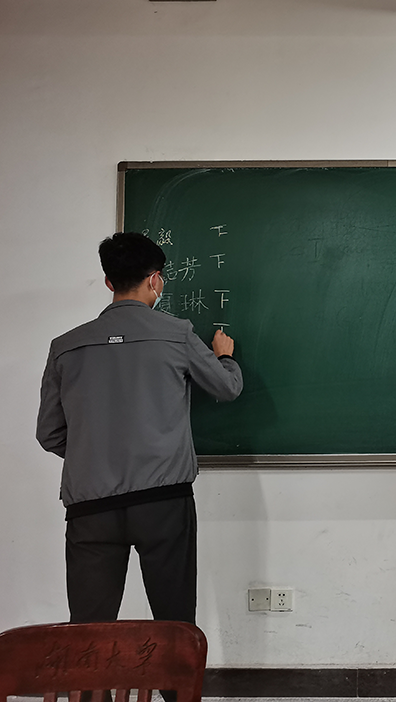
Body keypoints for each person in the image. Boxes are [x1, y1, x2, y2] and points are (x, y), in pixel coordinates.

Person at [36, 231, 243, 628]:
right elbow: (227, 388)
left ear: (108, 281)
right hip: (162, 501)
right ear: (155, 280)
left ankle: (92, 673)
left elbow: (49, 434)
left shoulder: (65, 346)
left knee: (89, 628)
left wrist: (94, 451)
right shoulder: (177, 334)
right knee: (174, 623)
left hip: (90, 506)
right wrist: (225, 357)